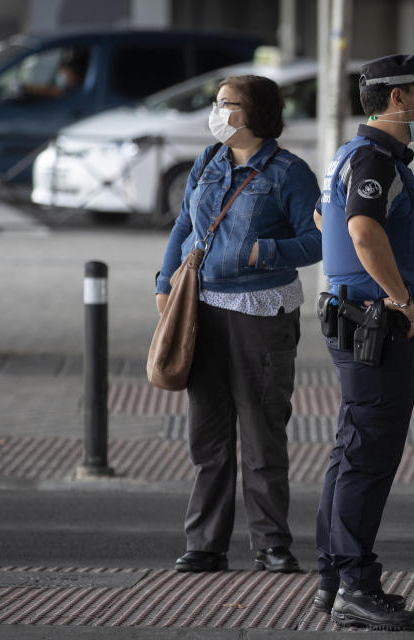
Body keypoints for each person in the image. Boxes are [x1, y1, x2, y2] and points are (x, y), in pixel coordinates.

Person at [155, 75, 322, 574]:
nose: (217, 111)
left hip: (261, 313)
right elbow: (184, 224)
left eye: (227, 104)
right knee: (207, 436)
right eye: (217, 103)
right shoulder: (209, 161)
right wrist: (165, 280)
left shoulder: (290, 173)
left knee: (262, 430)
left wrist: (263, 250)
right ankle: (206, 543)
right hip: (199, 311)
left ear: (254, 115)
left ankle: (272, 543)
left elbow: (321, 242)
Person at [310, 54, 414, 631]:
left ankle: (335, 578)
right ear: (395, 100)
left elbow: (323, 217)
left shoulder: (348, 152)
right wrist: (399, 298)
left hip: (350, 315)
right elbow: (360, 229)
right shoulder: (375, 158)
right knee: (368, 456)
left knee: (350, 449)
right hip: (375, 323)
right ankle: (356, 586)